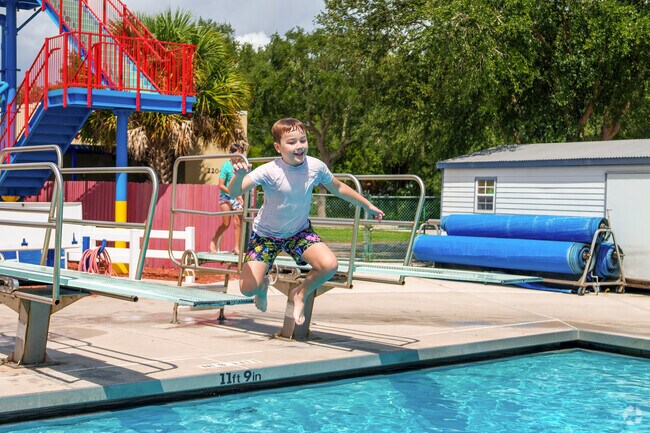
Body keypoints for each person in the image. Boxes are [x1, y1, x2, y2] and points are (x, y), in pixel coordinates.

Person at [229, 118, 384, 325]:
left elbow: (338, 188)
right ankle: (263, 284)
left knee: (330, 265)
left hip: (298, 232)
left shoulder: (315, 167)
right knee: (247, 289)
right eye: (291, 142)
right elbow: (234, 191)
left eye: (302, 140)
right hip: (266, 235)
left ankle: (300, 293)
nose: (299, 146)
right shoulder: (269, 170)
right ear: (278, 147)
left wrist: (366, 205)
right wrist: (239, 176)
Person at [210, 143, 245, 254]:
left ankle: (236, 248)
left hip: (237, 196)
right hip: (226, 195)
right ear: (231, 153)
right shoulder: (226, 166)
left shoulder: (242, 166)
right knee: (226, 223)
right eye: (236, 153)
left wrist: (240, 194)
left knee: (238, 222)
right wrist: (234, 194)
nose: (238, 155)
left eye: (240, 153)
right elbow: (220, 185)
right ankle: (214, 240)